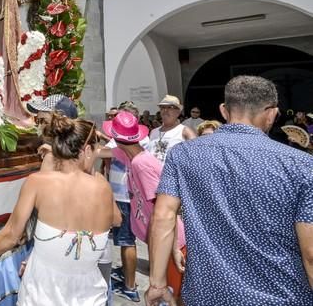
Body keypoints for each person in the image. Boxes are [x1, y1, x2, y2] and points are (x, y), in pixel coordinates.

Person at [147, 75, 313, 306]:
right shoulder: (301, 164)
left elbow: (163, 217)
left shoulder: (183, 155)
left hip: (206, 295)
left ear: (224, 111)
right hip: (281, 295)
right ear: (272, 113)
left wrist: (157, 284)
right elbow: (311, 251)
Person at [0, 114, 119, 306]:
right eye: (96, 148)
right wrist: (92, 171)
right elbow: (116, 220)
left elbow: (10, 236)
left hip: (40, 295)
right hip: (90, 296)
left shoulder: (38, 183)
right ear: (87, 150)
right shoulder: (102, 187)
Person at [103, 111, 186, 302]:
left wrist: (173, 248)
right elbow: (101, 152)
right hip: (161, 241)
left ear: (115, 138)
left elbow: (165, 209)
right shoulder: (131, 156)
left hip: (173, 242)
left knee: (174, 297)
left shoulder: (141, 163)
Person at [147, 95, 196, 163]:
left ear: (178, 112)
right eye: (162, 107)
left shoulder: (185, 131)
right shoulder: (153, 132)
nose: (165, 110)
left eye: (170, 107)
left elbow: (195, 154)